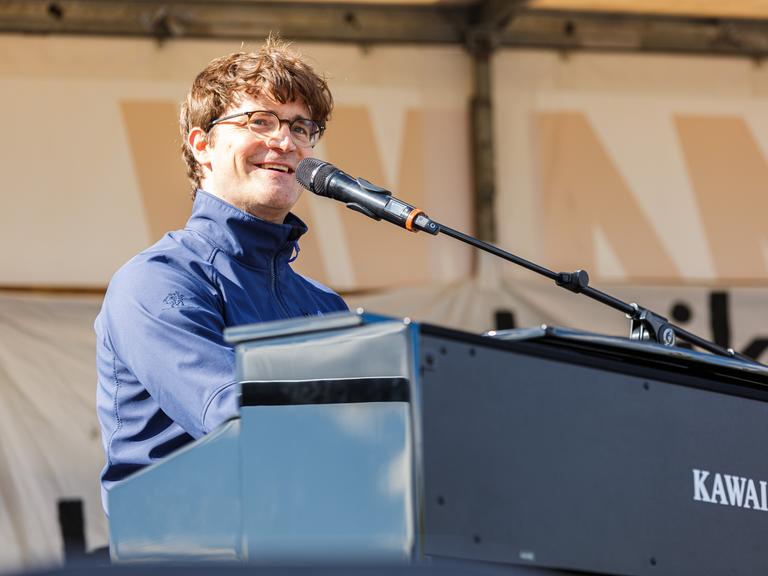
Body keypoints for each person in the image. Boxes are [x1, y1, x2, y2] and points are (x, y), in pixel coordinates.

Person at [95, 37, 347, 512]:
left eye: (300, 126)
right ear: (202, 145)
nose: (284, 141)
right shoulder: (157, 281)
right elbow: (236, 416)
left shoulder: (323, 305)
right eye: (260, 121)